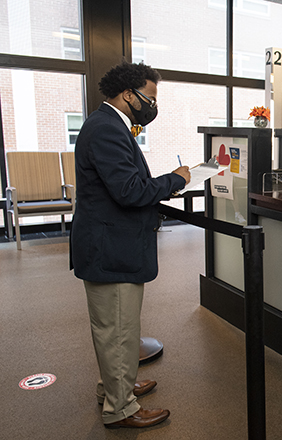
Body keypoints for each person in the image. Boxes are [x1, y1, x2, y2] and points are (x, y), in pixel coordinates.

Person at [70, 61, 190, 429]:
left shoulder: (107, 125)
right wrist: (175, 180)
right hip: (111, 248)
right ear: (127, 95)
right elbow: (129, 191)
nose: (152, 106)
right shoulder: (107, 129)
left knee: (118, 327)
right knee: (118, 328)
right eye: (149, 98)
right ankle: (120, 409)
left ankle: (115, 387)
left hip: (111, 243)